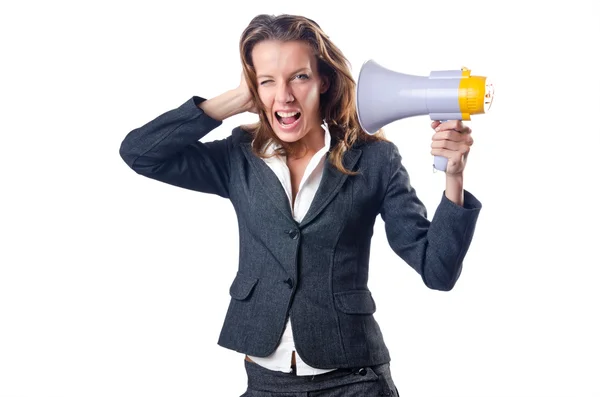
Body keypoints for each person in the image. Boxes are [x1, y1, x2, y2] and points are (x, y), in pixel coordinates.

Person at [119, 13, 482, 397]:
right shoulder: (237, 158)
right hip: (265, 383)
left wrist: (453, 177)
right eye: (268, 81)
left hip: (355, 382)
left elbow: (438, 270)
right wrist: (231, 101)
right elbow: (140, 153)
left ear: (323, 81)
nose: (285, 96)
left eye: (299, 76)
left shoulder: (375, 159)